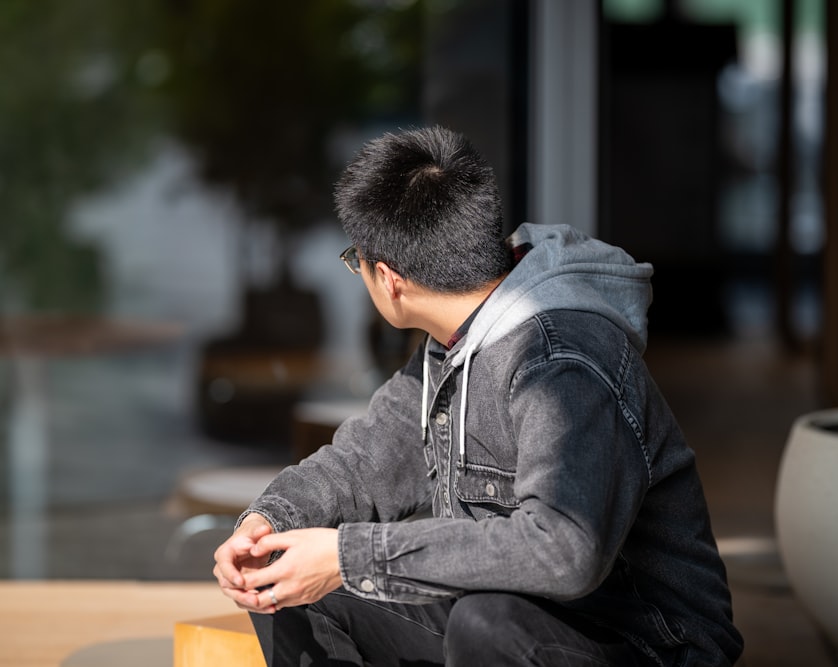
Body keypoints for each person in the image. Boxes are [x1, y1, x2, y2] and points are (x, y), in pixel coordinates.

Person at [213, 126, 744, 666]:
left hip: (648, 645)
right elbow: (361, 463)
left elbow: (565, 550)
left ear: (389, 279)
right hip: (526, 623)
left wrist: (352, 556)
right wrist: (269, 524)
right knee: (284, 580)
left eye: (357, 262)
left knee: (484, 623)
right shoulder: (449, 347)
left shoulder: (563, 361)